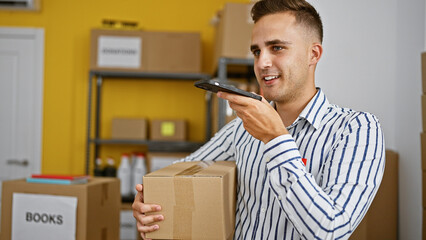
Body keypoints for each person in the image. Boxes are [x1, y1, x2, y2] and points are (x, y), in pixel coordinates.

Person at [132, 0, 385, 239]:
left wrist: (275, 138)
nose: (262, 62)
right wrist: (149, 201)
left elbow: (331, 230)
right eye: (256, 51)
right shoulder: (241, 129)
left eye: (277, 48)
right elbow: (184, 172)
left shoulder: (357, 129)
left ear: (314, 54)